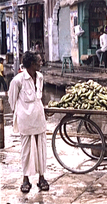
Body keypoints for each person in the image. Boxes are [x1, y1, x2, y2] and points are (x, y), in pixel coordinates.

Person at [8, 51, 49, 193]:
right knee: (26, 151)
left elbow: (40, 96)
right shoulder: (18, 80)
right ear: (32, 64)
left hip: (39, 119)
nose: (41, 63)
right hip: (25, 121)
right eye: (39, 61)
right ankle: (25, 179)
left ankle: (41, 178)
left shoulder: (40, 77)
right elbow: (12, 100)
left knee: (41, 150)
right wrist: (19, 114)